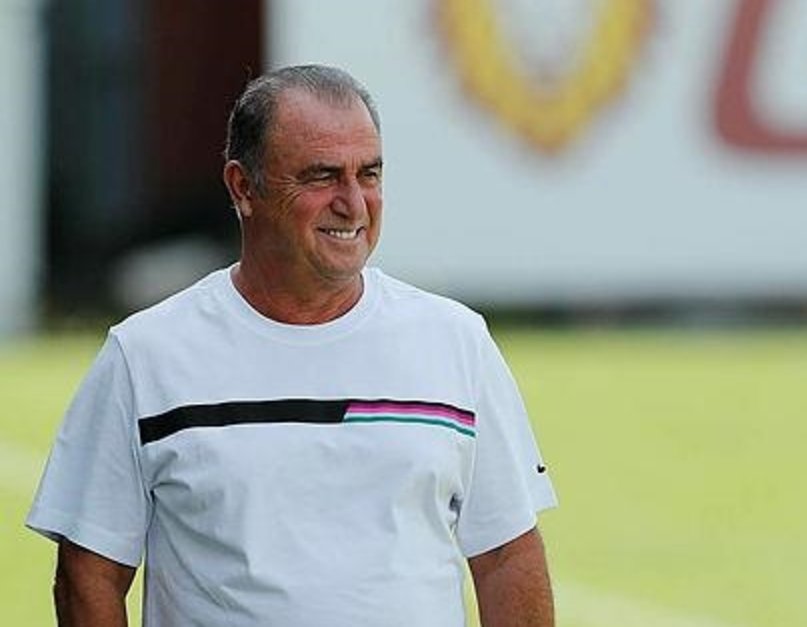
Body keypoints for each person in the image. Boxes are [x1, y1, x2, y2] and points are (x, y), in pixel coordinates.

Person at [26, 64, 557, 627]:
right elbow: (88, 575)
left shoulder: (456, 341)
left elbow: (507, 555)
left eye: (369, 174)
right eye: (322, 176)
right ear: (243, 187)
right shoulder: (145, 357)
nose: (354, 203)